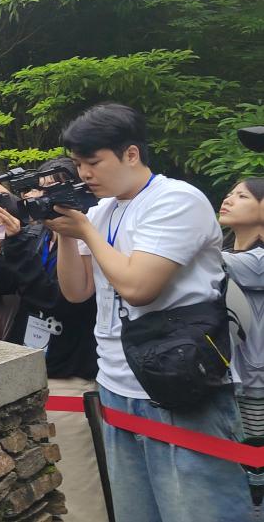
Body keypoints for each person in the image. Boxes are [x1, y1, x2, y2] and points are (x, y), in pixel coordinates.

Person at [45, 103, 251, 522]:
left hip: (179, 383)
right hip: (117, 382)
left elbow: (138, 287)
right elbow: (77, 290)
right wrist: (64, 235)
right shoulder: (102, 210)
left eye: (93, 162)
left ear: (132, 153)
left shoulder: (176, 200)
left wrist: (84, 230)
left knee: (200, 511)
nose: (84, 174)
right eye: (78, 164)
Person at [0, 158, 104, 522]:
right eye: (40, 187)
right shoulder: (36, 234)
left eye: (54, 188)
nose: (41, 197)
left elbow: (62, 302)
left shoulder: (88, 237)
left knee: (79, 487)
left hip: (70, 376)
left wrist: (17, 246)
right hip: (32, 368)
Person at [218, 178, 264, 510]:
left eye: (242, 195)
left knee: (254, 476)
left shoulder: (259, 261)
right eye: (230, 193)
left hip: (256, 386)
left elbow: (200, 260)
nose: (229, 199)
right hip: (228, 382)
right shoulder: (224, 253)